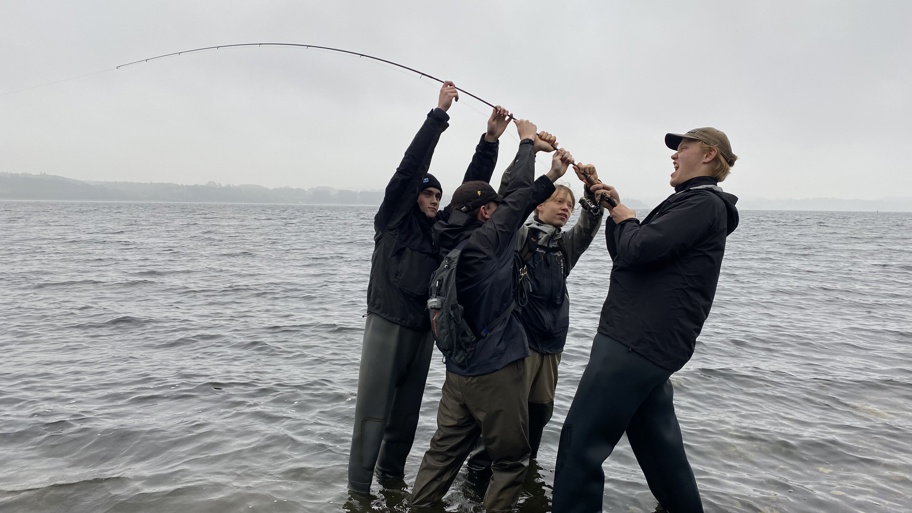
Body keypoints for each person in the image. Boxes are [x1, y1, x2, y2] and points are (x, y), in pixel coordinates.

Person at [551, 127, 740, 512]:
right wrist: (612, 207)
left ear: (708, 155)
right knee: (660, 449)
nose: (674, 155)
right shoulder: (689, 203)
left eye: (682, 148)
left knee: (580, 445)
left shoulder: (702, 204)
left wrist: (628, 217)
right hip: (648, 344)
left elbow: (637, 246)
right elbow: (626, 253)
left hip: (633, 341)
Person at [347, 81, 512, 495]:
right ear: (413, 198)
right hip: (386, 327)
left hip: (423, 333)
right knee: (372, 416)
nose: (435, 199)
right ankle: (357, 495)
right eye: (428, 194)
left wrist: (489, 140)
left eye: (438, 194)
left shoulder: (441, 233)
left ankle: (392, 484)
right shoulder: (391, 224)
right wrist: (438, 116)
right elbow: (407, 171)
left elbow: (471, 195)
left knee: (405, 419)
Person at [409, 120, 570, 512]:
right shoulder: (487, 243)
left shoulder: (446, 235)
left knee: (443, 452)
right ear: (485, 211)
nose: (502, 213)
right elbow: (517, 200)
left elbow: (515, 199)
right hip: (496, 370)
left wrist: (549, 174)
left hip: (458, 371)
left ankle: (418, 507)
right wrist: (527, 142)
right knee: (512, 461)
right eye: (494, 208)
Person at [464, 145, 605, 477]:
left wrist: (590, 193)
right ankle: (480, 476)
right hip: (517, 344)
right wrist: (539, 162)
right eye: (559, 202)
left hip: (551, 345)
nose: (566, 210)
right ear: (539, 203)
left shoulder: (562, 246)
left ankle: (525, 475)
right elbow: (513, 198)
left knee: (539, 413)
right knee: (506, 416)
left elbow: (588, 226)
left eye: (570, 207)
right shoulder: (518, 235)